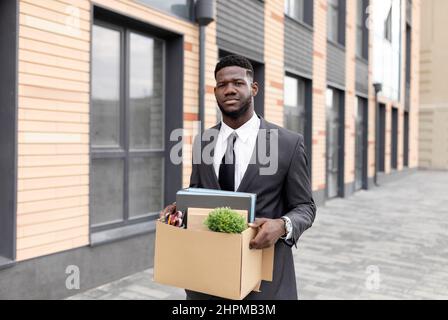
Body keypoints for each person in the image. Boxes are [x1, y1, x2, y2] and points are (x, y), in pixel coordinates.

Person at [160, 54, 316, 300]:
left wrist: (282, 225)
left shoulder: (287, 143)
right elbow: (199, 191)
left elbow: (305, 207)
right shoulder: (203, 142)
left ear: (253, 88)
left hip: (265, 283)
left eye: (237, 83)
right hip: (206, 280)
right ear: (215, 91)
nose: (229, 89)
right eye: (222, 85)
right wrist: (180, 209)